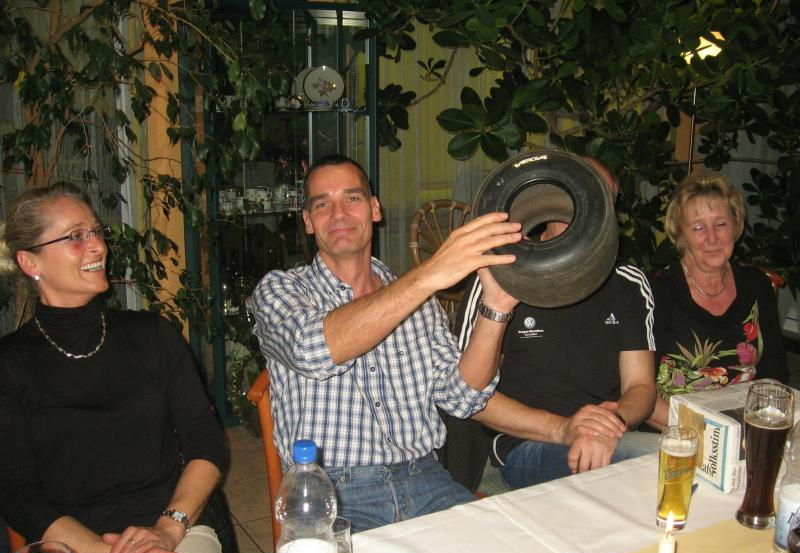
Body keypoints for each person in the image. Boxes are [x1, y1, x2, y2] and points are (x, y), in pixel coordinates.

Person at [249, 154, 522, 533]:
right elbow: (312, 350)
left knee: (507, 552)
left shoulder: (417, 299)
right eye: (323, 205)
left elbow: (464, 396)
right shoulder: (280, 290)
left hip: (425, 479)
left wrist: (496, 307)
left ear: (375, 209)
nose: (339, 214)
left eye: (352, 198)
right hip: (332, 491)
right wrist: (430, 274)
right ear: (308, 222)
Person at [0, 183, 235, 553]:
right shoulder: (10, 365)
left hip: (172, 532)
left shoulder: (152, 335)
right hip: (71, 552)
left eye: (96, 231)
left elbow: (206, 441)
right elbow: (18, 494)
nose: (98, 246)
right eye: (75, 237)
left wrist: (167, 529)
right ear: (30, 261)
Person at [444, 157, 659, 491]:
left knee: (683, 460)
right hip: (530, 445)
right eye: (583, 189)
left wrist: (610, 423)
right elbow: (468, 398)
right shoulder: (503, 277)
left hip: (611, 437)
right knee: (662, 466)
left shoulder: (628, 283)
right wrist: (565, 429)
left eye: (602, 197)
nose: (590, 204)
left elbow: (641, 387)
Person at [647, 170, 789, 429]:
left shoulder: (756, 284)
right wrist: (709, 434)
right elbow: (638, 392)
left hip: (745, 426)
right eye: (698, 227)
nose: (712, 238)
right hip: (676, 431)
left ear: (735, 226)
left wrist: (755, 426)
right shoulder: (657, 291)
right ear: (680, 235)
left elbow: (774, 374)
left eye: (721, 224)